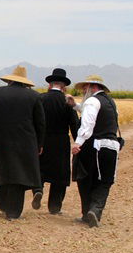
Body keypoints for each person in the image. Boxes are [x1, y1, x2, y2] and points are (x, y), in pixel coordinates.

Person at [0, 66, 45, 220]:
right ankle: (13, 212)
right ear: (24, 82)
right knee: (19, 175)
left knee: (1, 170)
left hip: (0, 140)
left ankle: (2, 204)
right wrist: (39, 144)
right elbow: (40, 123)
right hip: (25, 142)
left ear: (9, 80)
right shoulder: (34, 96)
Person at [71, 75, 121, 228]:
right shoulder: (111, 102)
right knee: (104, 181)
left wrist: (78, 143)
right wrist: (76, 106)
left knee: (85, 179)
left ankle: (87, 213)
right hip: (111, 147)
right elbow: (91, 111)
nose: (84, 91)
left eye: (85, 88)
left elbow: (87, 124)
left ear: (93, 88)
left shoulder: (92, 101)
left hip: (94, 146)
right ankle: (95, 210)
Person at [35, 68, 80, 214]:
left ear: (50, 85)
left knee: (40, 168)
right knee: (59, 176)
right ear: (64, 87)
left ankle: (38, 189)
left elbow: (34, 121)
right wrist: (78, 142)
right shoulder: (67, 102)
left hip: (42, 140)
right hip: (61, 141)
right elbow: (74, 125)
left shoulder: (40, 98)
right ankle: (54, 207)